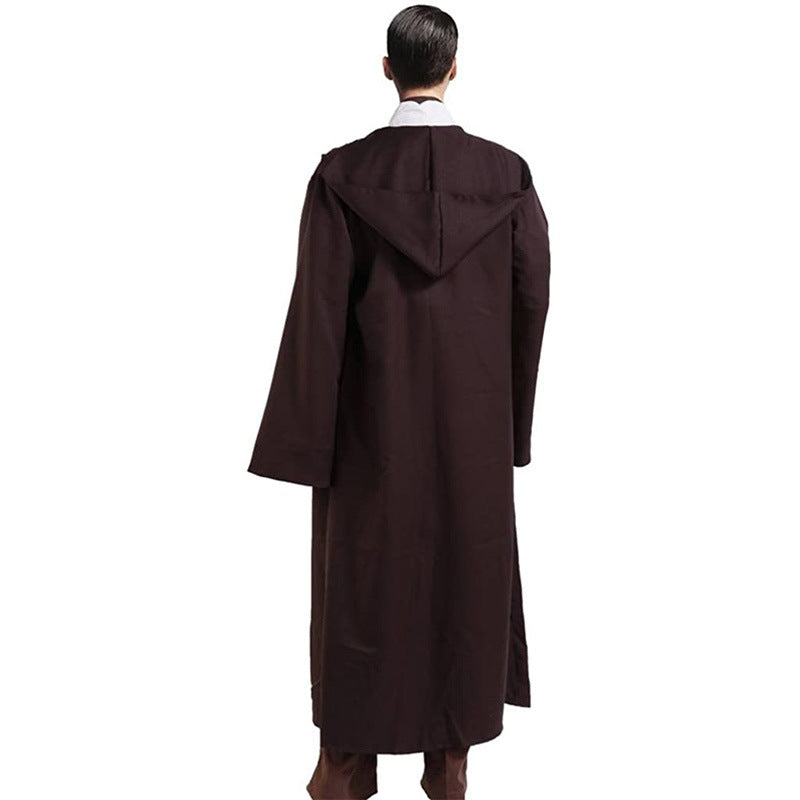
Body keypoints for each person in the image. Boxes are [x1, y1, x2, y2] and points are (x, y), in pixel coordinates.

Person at [247, 5, 551, 798]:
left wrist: (307, 445)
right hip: (474, 429)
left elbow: (317, 315)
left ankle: (346, 769)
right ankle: (448, 768)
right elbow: (531, 303)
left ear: (387, 68)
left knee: (364, 587)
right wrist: (511, 429)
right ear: (455, 68)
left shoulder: (342, 175)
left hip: (368, 431)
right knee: (464, 581)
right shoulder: (507, 175)